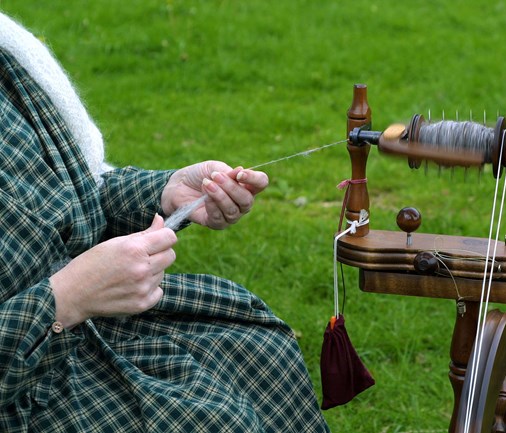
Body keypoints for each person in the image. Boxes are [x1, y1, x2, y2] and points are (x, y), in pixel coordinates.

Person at [0, 11, 329, 432]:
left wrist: (167, 192)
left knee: (256, 348)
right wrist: (68, 297)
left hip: (96, 329)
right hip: (27, 388)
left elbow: (76, 186)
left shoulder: (10, 56)